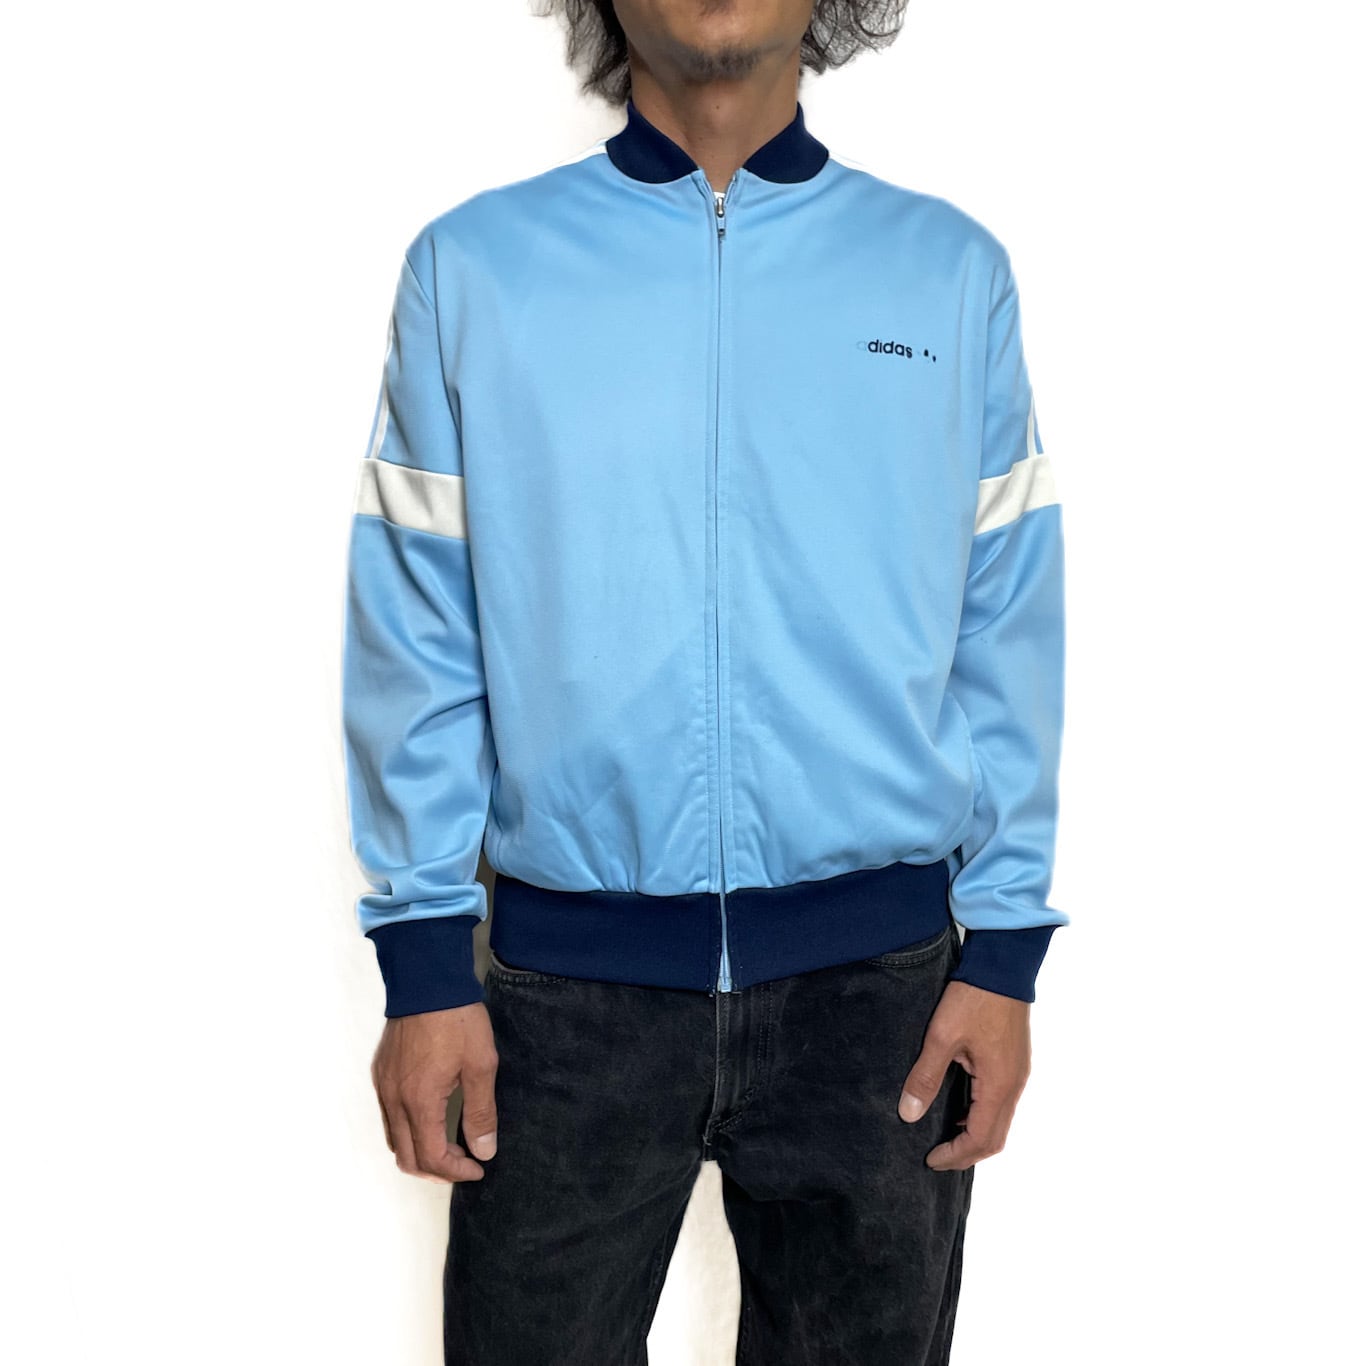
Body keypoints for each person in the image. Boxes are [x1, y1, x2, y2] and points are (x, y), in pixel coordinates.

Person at [340, 2, 1067, 1361]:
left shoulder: (946, 274)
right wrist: (423, 957)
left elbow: (1005, 624)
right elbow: (418, 626)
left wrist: (1007, 946)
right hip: (563, 1000)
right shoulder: (474, 271)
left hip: (883, 1003)